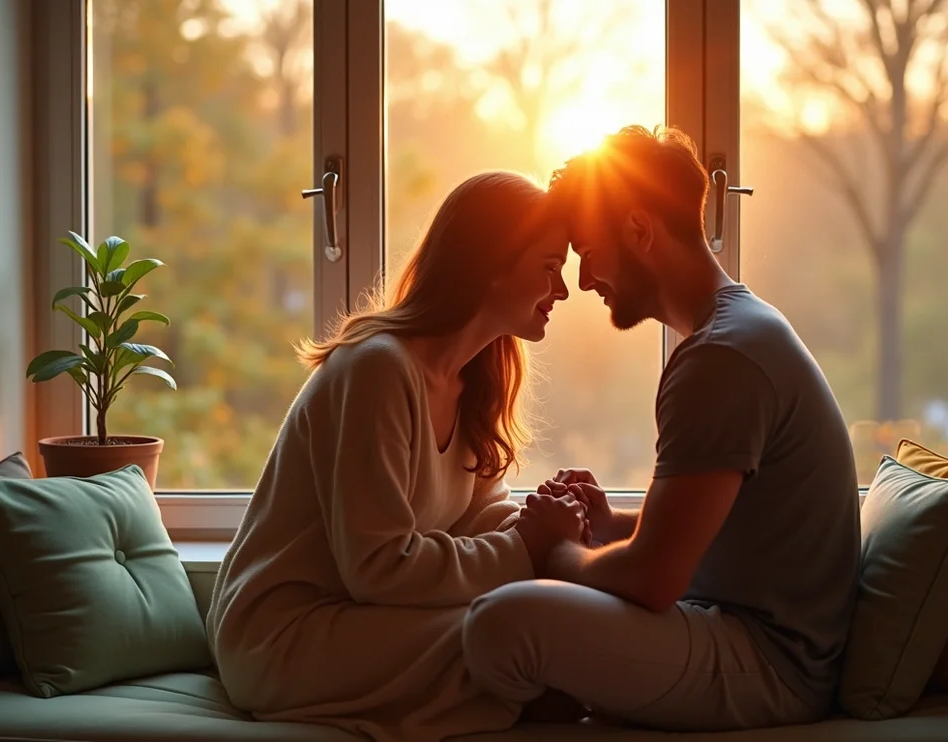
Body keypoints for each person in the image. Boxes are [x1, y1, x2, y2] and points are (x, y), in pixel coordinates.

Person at [461, 125, 862, 733]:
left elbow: (653, 579)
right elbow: (714, 531)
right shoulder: (735, 331)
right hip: (742, 624)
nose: (585, 281)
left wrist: (554, 549)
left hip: (770, 663)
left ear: (640, 231)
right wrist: (605, 525)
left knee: (500, 622)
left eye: (589, 253)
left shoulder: (722, 358)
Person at [205, 170, 588, 742]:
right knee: (524, 647)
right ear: (492, 264)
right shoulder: (379, 370)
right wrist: (524, 547)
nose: (563, 291)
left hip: (367, 614)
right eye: (550, 267)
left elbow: (477, 515)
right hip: (284, 634)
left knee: (539, 636)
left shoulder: (471, 382)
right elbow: (379, 567)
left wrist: (550, 523)